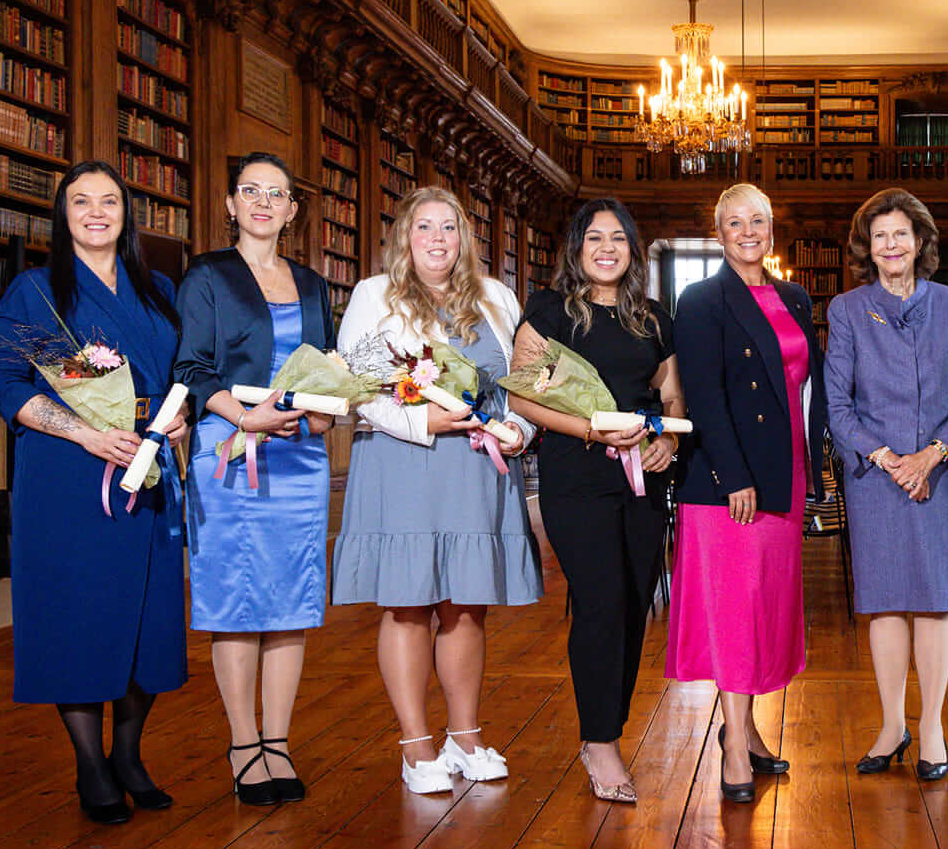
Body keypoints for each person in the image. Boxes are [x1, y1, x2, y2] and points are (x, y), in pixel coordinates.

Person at [0, 161, 188, 825]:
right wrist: (84, 432)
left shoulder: (157, 290)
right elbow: (9, 384)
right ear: (62, 214)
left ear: (126, 213)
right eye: (81, 201)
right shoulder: (36, 293)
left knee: (146, 615)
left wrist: (178, 419)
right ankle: (90, 764)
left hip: (146, 464)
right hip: (68, 474)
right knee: (77, 616)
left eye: (109, 201)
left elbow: (182, 373)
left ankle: (128, 754)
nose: (97, 212)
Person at [332, 185, 540, 795]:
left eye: (448, 228)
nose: (437, 239)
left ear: (464, 238)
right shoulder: (374, 295)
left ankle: (466, 735)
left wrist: (519, 430)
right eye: (424, 227)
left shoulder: (498, 298)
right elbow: (358, 385)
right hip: (403, 462)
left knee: (466, 605)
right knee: (408, 603)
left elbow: (524, 382)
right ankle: (416, 744)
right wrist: (422, 421)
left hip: (477, 468)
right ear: (405, 236)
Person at [506, 198, 684, 805]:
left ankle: (610, 726)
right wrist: (589, 430)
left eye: (618, 238)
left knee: (635, 602)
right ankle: (599, 741)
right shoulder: (549, 312)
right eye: (594, 238)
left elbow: (671, 395)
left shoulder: (655, 319)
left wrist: (667, 443)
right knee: (601, 599)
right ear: (577, 248)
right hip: (576, 474)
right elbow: (523, 399)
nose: (606, 248)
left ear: (633, 249)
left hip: (643, 478)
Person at [173, 152, 336, 807]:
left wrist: (321, 418)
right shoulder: (208, 275)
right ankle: (244, 745)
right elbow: (192, 367)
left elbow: (324, 370)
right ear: (231, 204)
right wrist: (251, 417)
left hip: (298, 458)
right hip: (232, 449)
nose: (263, 202)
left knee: (291, 601)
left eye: (277, 193)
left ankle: (279, 742)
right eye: (251, 191)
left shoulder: (313, 283)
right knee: (237, 602)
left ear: (294, 210)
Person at [668, 182, 828, 804]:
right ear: (719, 234)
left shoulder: (793, 295)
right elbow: (704, 392)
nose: (747, 231)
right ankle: (733, 743)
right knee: (734, 610)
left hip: (784, 472)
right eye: (734, 223)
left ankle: (750, 728)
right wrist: (735, 475)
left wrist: (809, 469)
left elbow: (803, 390)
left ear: (770, 227)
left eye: (757, 219)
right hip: (727, 481)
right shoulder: (703, 299)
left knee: (764, 608)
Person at [825, 188, 948, 782]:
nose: (891, 245)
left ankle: (932, 727)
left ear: (920, 243)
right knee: (884, 605)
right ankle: (892, 724)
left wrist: (932, 455)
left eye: (901, 234)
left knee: (935, 605)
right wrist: (890, 460)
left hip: (940, 474)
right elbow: (838, 406)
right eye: (880, 236)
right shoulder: (846, 310)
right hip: (878, 478)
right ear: (869, 247)